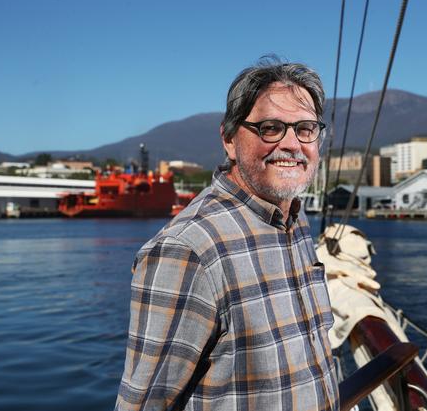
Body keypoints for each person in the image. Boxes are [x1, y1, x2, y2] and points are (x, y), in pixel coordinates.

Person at [115, 59, 339, 411]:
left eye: (306, 129)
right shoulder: (188, 250)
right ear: (230, 140)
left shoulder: (294, 218)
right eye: (270, 128)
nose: (292, 144)